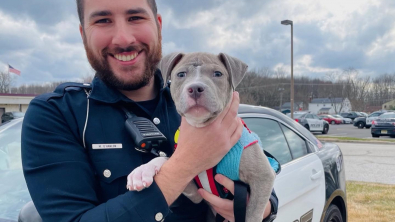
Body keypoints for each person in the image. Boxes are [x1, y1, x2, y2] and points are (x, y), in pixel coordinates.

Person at [21, 0, 278, 221]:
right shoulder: (56, 115)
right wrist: (185, 164)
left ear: (158, 26)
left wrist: (261, 207)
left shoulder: (204, 104)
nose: (123, 38)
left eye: (135, 17)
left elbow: (257, 170)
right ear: (83, 33)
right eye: (103, 20)